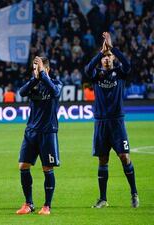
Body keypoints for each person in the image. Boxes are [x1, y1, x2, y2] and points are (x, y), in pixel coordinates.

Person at [84, 32, 139, 208]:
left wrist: (112, 47)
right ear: (101, 60)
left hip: (116, 121)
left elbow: (128, 65)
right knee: (103, 160)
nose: (107, 59)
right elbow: (87, 70)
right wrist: (101, 51)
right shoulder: (96, 75)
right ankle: (103, 198)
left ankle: (134, 193)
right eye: (104, 57)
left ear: (114, 58)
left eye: (109, 57)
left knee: (124, 156)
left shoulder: (119, 73)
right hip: (100, 122)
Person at [16, 56, 63, 215]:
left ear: (46, 69)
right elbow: (21, 92)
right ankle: (28, 203)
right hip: (31, 132)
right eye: (34, 67)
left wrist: (42, 75)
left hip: (48, 132)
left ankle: (47, 206)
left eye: (37, 67)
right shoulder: (33, 84)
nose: (34, 70)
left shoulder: (56, 84)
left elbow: (55, 92)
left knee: (47, 168)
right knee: (23, 166)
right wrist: (36, 79)